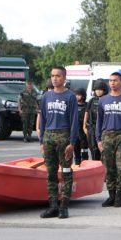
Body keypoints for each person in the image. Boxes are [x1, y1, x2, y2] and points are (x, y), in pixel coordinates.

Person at [39, 66, 79, 219]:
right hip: (49, 137)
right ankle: (53, 206)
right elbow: (42, 119)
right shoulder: (46, 97)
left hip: (64, 137)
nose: (55, 78)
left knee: (67, 172)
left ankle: (64, 207)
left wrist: (72, 142)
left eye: (58, 76)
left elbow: (74, 120)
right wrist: (41, 140)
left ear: (64, 77)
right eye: (52, 76)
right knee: (51, 173)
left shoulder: (70, 97)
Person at [97, 72, 121, 208]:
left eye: (115, 80)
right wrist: (98, 139)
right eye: (110, 80)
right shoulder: (103, 100)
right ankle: (111, 195)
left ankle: (119, 196)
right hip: (107, 135)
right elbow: (99, 120)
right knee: (109, 168)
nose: (112, 83)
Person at [84, 80, 107, 161]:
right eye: (96, 89)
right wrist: (84, 127)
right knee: (93, 149)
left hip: (103, 128)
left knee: (102, 149)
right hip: (92, 128)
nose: (98, 91)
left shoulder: (107, 99)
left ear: (104, 90)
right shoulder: (92, 100)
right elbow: (86, 113)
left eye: (100, 89)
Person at [73, 88, 89, 165]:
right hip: (75, 131)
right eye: (76, 95)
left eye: (79, 95)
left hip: (84, 133)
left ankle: (85, 166)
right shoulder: (73, 105)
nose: (77, 97)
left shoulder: (87, 105)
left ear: (83, 96)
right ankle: (77, 166)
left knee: (84, 151)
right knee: (76, 151)